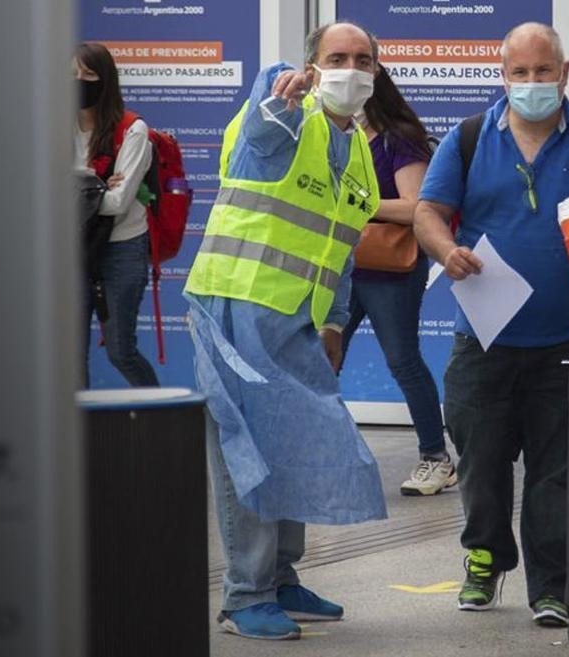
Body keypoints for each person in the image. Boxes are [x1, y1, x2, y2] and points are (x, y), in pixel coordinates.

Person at [414, 22, 569, 627]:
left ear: (564, 73)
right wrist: (445, 251)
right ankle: (486, 559)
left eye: (542, 72)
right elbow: (428, 212)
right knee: (479, 458)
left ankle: (551, 585)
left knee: (557, 471)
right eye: (519, 73)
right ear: (504, 76)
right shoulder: (468, 138)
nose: (531, 84)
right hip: (483, 338)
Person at [182, 22, 387, 641]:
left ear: (376, 72)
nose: (350, 68)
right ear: (311, 66)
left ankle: (281, 576)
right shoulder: (287, 117)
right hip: (235, 308)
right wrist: (277, 101)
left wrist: (333, 321)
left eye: (362, 59)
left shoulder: (358, 156)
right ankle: (246, 594)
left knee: (295, 444)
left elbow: (341, 248)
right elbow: (261, 133)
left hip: (296, 322)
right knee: (247, 450)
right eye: (336, 57)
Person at [341, 67, 455, 496]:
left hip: (389, 269)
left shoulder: (398, 137)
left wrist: (358, 205)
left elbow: (416, 208)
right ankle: (326, 452)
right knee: (321, 359)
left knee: (402, 360)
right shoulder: (342, 135)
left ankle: (436, 458)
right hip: (342, 266)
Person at [74, 43, 159, 388]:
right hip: (74, 250)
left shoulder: (133, 130)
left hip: (123, 247)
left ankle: (161, 420)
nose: (79, 81)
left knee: (120, 351)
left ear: (105, 79)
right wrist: (95, 187)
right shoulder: (53, 127)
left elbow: (118, 203)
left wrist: (80, 188)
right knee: (69, 355)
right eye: (71, 74)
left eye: (89, 74)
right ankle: (76, 434)